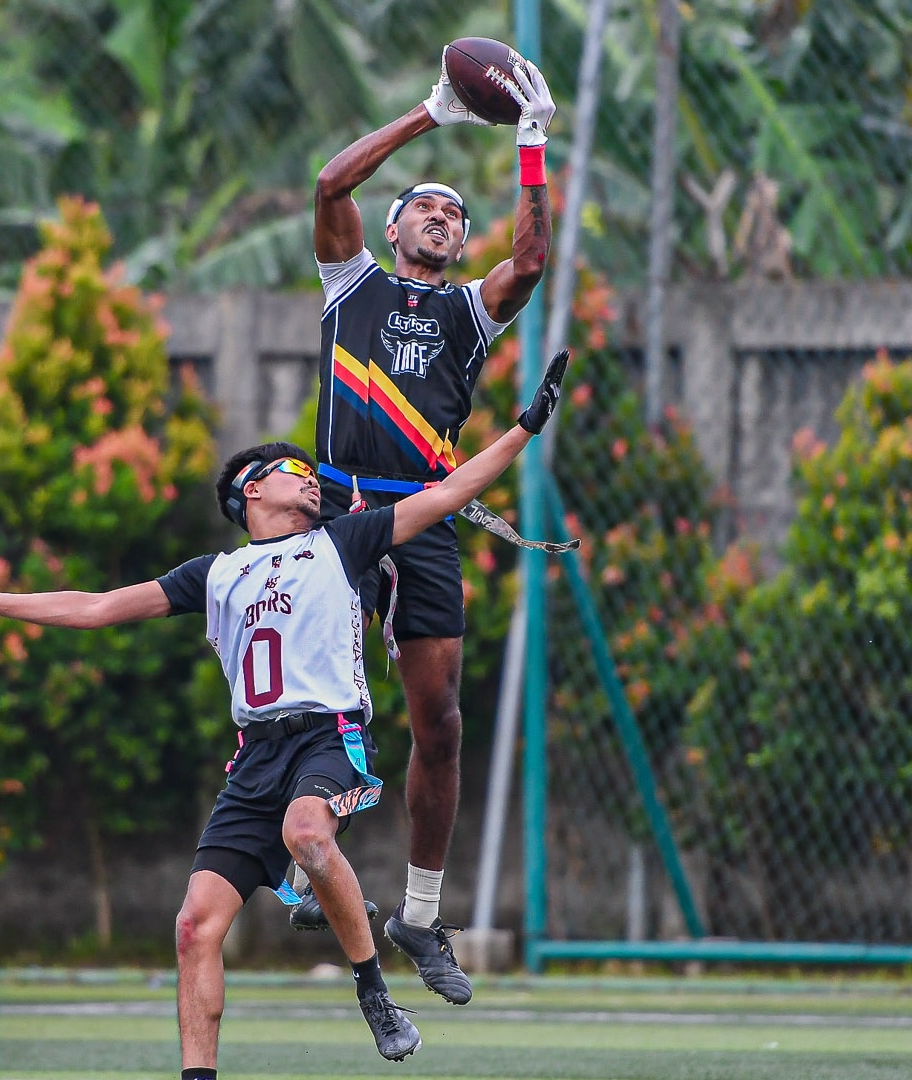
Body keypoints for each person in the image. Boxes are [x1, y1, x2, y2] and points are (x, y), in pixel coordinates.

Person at [0, 351, 570, 1071]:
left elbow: (448, 491)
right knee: (194, 925)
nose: (310, 477)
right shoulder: (213, 575)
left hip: (328, 737)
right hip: (254, 757)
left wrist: (525, 428)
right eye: (292, 469)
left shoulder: (343, 542)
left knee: (307, 832)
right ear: (251, 491)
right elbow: (95, 608)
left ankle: (373, 992)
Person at [296, 47, 557, 1005]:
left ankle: (419, 910)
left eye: (456, 213)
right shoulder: (347, 285)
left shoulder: (468, 313)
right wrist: (433, 113)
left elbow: (530, 258)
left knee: (439, 725)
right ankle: (304, 857)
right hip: (338, 509)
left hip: (427, 517)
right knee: (320, 706)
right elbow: (329, 181)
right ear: (395, 225)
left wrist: (529, 142)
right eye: (427, 208)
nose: (443, 218)